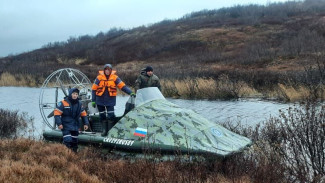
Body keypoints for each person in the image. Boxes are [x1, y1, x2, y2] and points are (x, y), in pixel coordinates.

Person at [91, 64, 135, 136]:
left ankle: (110, 131)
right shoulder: (99, 78)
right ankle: (104, 131)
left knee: (111, 115)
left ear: (111, 70)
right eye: (106, 69)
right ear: (104, 70)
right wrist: (93, 100)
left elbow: (123, 87)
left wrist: (131, 92)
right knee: (102, 115)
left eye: (109, 69)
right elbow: (93, 89)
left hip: (110, 100)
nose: (107, 71)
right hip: (100, 100)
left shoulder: (115, 78)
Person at [54, 88, 89, 153]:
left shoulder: (80, 104)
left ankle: (73, 156)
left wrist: (86, 123)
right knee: (68, 140)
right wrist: (59, 124)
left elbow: (83, 114)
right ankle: (66, 155)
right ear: (70, 94)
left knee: (75, 142)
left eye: (76, 94)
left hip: (75, 126)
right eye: (73, 94)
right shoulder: (62, 103)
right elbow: (56, 114)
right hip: (66, 126)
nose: (75, 95)